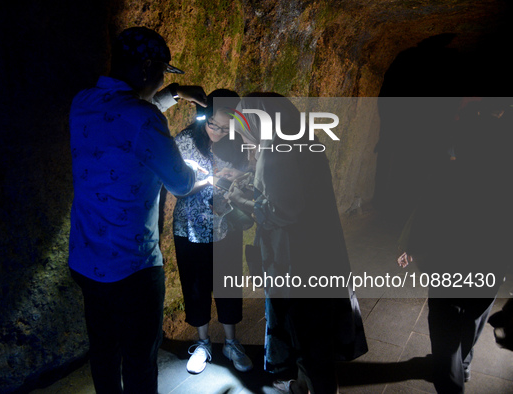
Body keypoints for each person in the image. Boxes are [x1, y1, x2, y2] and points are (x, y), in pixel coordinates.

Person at [68, 26, 208, 394]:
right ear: (147, 67)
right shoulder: (145, 120)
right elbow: (179, 182)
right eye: (162, 71)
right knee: (139, 359)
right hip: (132, 269)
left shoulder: (82, 102)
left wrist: (173, 94)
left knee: (102, 351)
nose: (162, 78)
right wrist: (203, 173)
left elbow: (125, 119)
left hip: (86, 261)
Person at [224, 93, 368, 394]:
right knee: (315, 335)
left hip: (299, 261)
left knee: (309, 336)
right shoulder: (298, 141)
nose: (243, 133)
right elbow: (287, 186)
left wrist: (241, 198)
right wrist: (248, 172)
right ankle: (303, 384)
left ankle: (316, 387)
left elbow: (281, 210)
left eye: (245, 123)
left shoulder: (277, 148)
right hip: (319, 254)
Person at [397, 97, 512, 393]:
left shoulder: (449, 173)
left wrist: (412, 247)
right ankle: (465, 363)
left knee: (445, 326)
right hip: (491, 263)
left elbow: (428, 214)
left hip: (451, 262)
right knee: (474, 316)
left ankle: (450, 377)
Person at [172, 89, 254, 374]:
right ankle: (203, 342)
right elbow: (177, 186)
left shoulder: (240, 143)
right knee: (196, 285)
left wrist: (237, 182)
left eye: (226, 127)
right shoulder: (183, 141)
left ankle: (231, 342)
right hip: (190, 227)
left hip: (226, 225)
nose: (218, 132)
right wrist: (210, 181)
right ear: (204, 116)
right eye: (213, 125)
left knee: (228, 283)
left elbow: (247, 179)